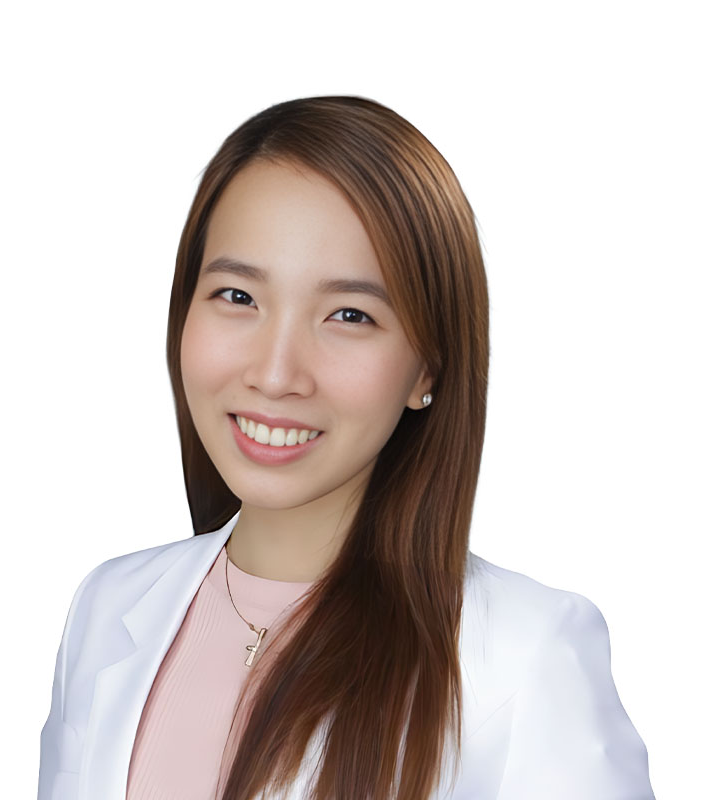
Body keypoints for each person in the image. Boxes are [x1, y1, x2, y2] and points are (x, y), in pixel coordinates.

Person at [37, 95, 655, 800]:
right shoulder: (108, 606)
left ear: (427, 368)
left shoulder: (526, 657)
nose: (275, 374)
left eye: (350, 315)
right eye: (237, 297)